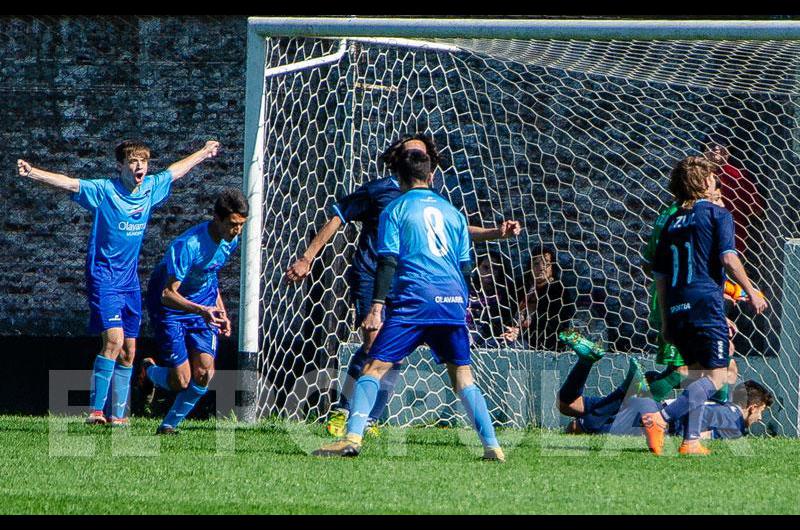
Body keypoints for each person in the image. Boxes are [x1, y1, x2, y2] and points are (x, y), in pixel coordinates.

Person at [284, 133, 521, 437]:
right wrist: (307, 258)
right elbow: (338, 216)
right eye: (411, 155)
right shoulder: (380, 192)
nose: (416, 160)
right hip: (374, 276)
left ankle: (369, 418)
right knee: (374, 342)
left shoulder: (433, 200)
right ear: (400, 162)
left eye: (421, 156)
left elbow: (455, 230)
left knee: (389, 353)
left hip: (414, 285)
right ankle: (345, 410)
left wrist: (494, 233)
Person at [16, 139, 220, 426]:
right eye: (133, 162)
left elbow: (176, 171)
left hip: (129, 281)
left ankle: (119, 415)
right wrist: (33, 172)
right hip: (103, 277)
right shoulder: (105, 191)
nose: (140, 167)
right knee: (113, 340)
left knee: (129, 350)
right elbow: (70, 184)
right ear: (121, 166)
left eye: (144, 162)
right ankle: (95, 411)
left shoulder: (150, 189)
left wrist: (204, 152)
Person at [643, 156, 768, 456]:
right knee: (716, 376)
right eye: (713, 177)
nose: (717, 181)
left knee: (697, 374)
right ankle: (660, 417)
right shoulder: (716, 214)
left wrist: (665, 319)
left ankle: (691, 441)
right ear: (704, 183)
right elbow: (728, 257)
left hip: (675, 304)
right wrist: (751, 291)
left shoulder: (670, 220)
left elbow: (659, 272)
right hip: (704, 302)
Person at [140, 188, 246, 434]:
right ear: (217, 219)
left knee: (205, 372)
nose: (237, 230)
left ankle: (168, 426)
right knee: (181, 380)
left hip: (204, 307)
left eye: (241, 225)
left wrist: (220, 311)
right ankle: (148, 370)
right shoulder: (188, 245)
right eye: (232, 224)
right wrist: (202, 310)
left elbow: (210, 274)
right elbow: (168, 294)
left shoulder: (231, 240)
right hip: (172, 307)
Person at [556, 334, 772, 440]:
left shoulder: (718, 398)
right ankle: (631, 389)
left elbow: (722, 374)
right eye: (762, 411)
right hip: (652, 421)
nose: (760, 418)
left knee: (568, 406)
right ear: (752, 407)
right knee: (578, 425)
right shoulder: (735, 424)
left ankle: (586, 361)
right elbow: (700, 431)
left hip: (653, 405)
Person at [704, 143, 764, 256]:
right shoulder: (697, 174)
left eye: (721, 145)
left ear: (728, 152)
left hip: (733, 236)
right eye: (711, 145)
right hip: (704, 233)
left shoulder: (737, 175)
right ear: (704, 151)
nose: (716, 149)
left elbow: (756, 208)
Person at [517, 246, 575, 351]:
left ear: (553, 267)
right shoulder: (521, 288)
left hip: (544, 345)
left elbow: (553, 324)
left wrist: (522, 332)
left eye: (546, 263)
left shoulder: (558, 291)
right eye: (536, 264)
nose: (541, 267)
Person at [468, 252, 519, 348]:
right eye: (485, 267)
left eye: (495, 268)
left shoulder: (506, 295)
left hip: (492, 337)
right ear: (477, 268)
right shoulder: (468, 291)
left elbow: (507, 322)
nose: (490, 272)